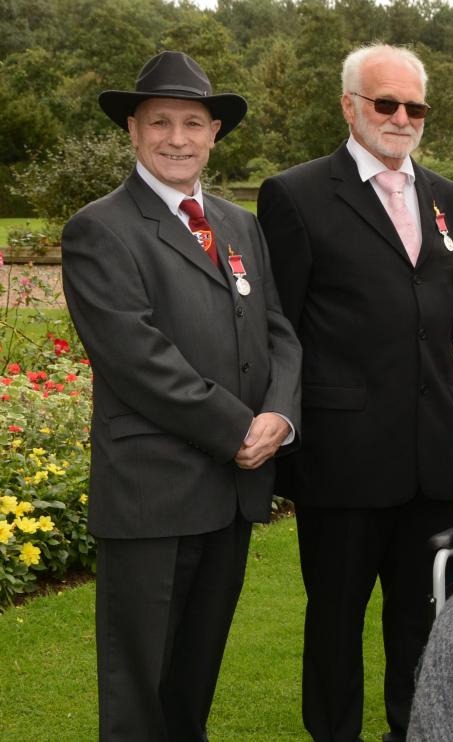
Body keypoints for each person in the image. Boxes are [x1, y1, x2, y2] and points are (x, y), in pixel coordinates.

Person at [60, 50, 301, 741]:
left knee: (193, 687)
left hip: (228, 496)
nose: (176, 138)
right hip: (152, 499)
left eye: (192, 123)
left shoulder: (237, 223)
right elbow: (139, 361)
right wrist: (239, 429)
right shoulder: (99, 229)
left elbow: (279, 331)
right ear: (132, 131)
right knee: (140, 694)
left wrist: (279, 416)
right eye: (159, 122)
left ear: (214, 134)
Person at [257, 44, 453, 742]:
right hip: (342, 461)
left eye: (415, 106)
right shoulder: (297, 195)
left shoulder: (450, 200)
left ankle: (416, 730)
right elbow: (277, 327)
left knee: (422, 619)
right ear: (350, 106)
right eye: (386, 103)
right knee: (336, 622)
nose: (402, 117)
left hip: (431, 457)